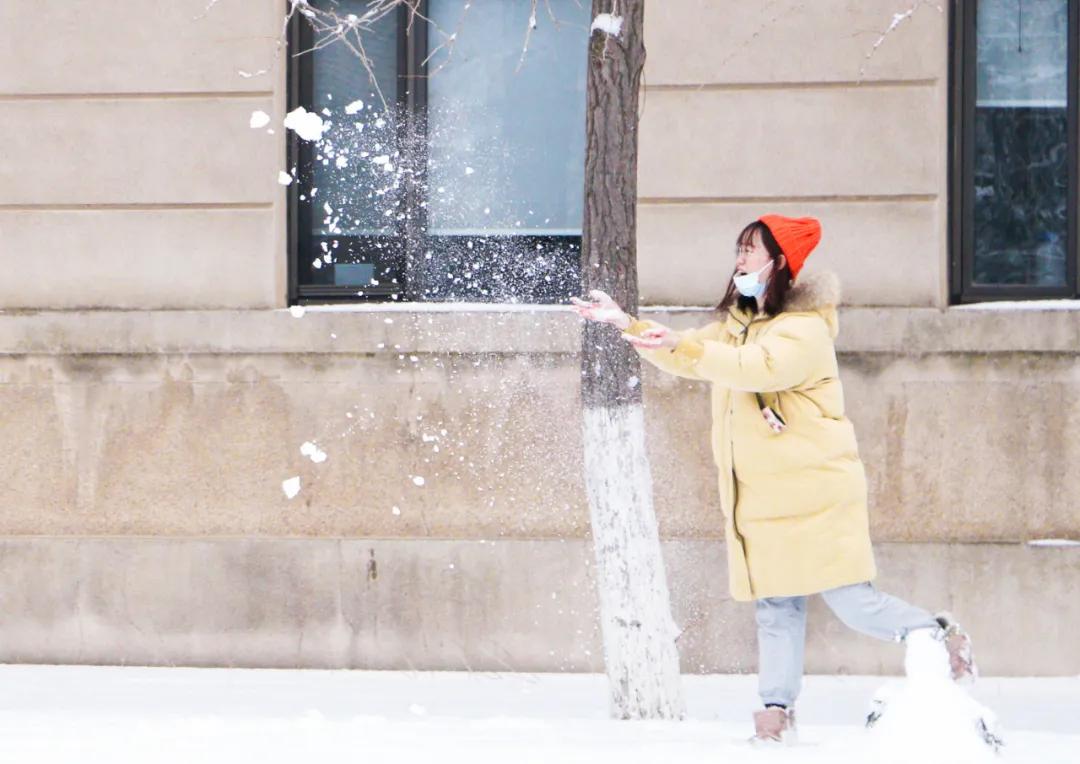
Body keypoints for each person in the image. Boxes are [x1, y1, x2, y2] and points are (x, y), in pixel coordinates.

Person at [571, 214, 976, 744]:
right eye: (738, 249)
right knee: (776, 607)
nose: (740, 260)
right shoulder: (739, 325)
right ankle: (774, 711)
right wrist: (625, 322)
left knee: (853, 602)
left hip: (816, 492)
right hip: (763, 498)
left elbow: (755, 368)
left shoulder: (803, 329)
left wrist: (689, 345)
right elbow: (690, 355)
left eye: (751, 251)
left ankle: (937, 636)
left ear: (780, 262)